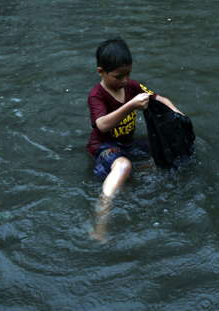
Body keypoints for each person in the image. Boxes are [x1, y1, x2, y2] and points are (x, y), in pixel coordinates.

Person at [86, 37, 183, 243]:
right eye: (118, 76)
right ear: (101, 72)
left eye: (128, 74)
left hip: (128, 143)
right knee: (123, 165)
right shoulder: (97, 95)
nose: (124, 80)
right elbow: (102, 125)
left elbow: (161, 100)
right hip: (104, 146)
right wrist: (130, 105)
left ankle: (130, 178)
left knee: (166, 152)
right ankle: (99, 226)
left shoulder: (132, 86)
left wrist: (178, 116)